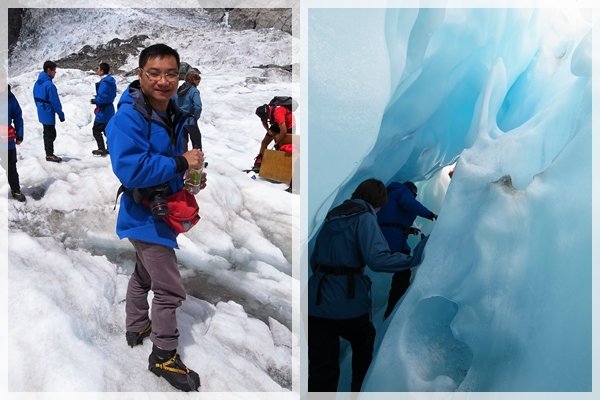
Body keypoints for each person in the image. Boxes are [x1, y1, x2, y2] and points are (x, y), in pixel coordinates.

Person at [106, 43, 206, 392]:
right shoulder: (128, 118)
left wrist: (188, 177)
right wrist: (181, 164)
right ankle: (163, 354)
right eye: (154, 72)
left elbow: (167, 158)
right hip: (144, 214)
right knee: (169, 288)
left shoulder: (170, 112)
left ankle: (136, 324)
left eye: (171, 73)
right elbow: (132, 169)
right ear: (140, 74)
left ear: (179, 76)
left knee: (144, 274)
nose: (163, 80)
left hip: (157, 211)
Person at [308, 178, 427, 392]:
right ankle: (358, 392)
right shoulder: (365, 218)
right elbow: (378, 259)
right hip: (347, 301)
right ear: (380, 200)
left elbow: (314, 260)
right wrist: (411, 259)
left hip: (315, 302)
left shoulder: (332, 216)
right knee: (364, 343)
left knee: (322, 368)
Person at [377, 181, 437, 319]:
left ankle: (394, 304)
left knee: (401, 269)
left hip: (382, 235)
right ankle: (395, 306)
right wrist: (429, 214)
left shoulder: (389, 196)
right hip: (392, 238)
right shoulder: (402, 191)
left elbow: (390, 218)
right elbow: (408, 203)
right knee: (403, 270)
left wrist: (408, 229)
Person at [33, 60, 65, 162]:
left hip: (41, 110)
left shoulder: (37, 83)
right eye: (54, 70)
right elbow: (55, 102)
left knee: (47, 132)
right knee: (50, 134)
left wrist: (39, 107)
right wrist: (61, 114)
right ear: (48, 70)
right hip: (48, 111)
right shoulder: (49, 85)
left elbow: (34, 96)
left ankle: (49, 152)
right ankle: (49, 155)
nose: (55, 73)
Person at [252, 101, 295, 172]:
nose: (266, 119)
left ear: (268, 112)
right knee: (264, 142)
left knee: (281, 146)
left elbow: (283, 131)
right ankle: (259, 163)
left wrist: (277, 143)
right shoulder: (265, 111)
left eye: (266, 117)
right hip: (277, 124)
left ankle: (281, 166)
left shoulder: (278, 113)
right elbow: (264, 122)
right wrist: (268, 130)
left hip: (288, 126)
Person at [2, 85, 26, 202]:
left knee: (11, 167)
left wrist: (20, 134)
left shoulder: (10, 98)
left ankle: (15, 190)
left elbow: (17, 116)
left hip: (7, 140)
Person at [90, 62, 117, 156]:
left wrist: (94, 100)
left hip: (103, 111)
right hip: (110, 110)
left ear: (102, 71)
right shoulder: (111, 82)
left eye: (98, 69)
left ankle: (101, 149)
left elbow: (102, 98)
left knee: (96, 130)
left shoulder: (104, 83)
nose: (97, 70)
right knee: (107, 130)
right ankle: (111, 148)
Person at [173, 70, 202, 150]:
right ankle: (197, 161)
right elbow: (198, 106)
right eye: (198, 80)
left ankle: (184, 160)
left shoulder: (179, 89)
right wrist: (195, 117)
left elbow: (172, 101)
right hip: (190, 119)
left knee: (182, 142)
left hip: (179, 119)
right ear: (194, 80)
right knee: (196, 141)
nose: (198, 83)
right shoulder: (194, 91)